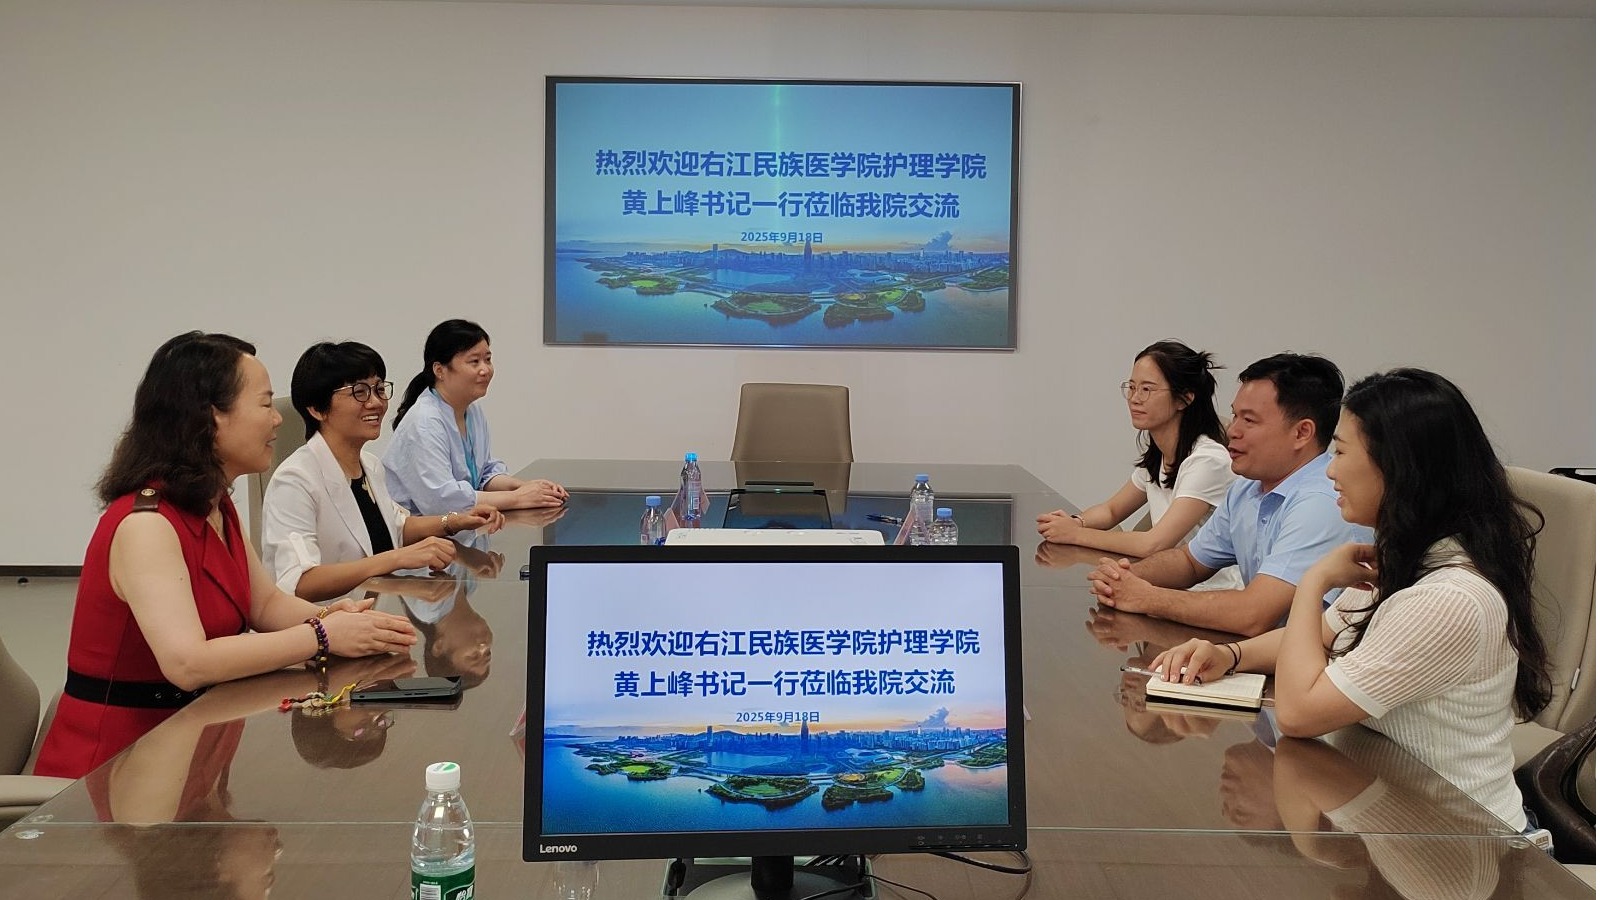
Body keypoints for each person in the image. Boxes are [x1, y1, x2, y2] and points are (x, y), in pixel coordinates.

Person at [1152, 368, 1552, 832]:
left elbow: (1298, 714)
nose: (1330, 471)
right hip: (1391, 817)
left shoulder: (1446, 600)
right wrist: (1229, 655)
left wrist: (1314, 583)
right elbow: (1320, 636)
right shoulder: (1407, 560)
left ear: (1398, 467)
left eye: (1340, 452)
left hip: (1465, 843)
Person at [34, 332, 416, 780]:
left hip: (193, 735)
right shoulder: (146, 525)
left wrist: (336, 617)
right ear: (211, 415)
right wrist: (322, 634)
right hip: (117, 765)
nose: (277, 419)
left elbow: (265, 605)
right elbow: (188, 663)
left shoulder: (215, 505)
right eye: (265, 403)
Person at [1087, 353, 1365, 637]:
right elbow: (1190, 562)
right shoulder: (1248, 486)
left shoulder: (1322, 502)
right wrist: (1124, 577)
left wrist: (1147, 597)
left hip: (1316, 659)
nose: (1232, 430)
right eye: (1235, 415)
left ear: (1302, 433)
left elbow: (1254, 615)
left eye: (1249, 420)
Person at [261, 341, 504, 602]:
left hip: (377, 609)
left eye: (379, 389)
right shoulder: (295, 480)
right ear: (317, 409)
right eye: (360, 392)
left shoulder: (370, 465)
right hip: (327, 621)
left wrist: (454, 521)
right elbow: (300, 582)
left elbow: (396, 527)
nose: (376, 402)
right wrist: (396, 558)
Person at [1038, 340, 1236, 562]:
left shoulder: (1208, 461)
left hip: (1208, 583)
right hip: (1167, 574)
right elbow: (1111, 510)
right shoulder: (1161, 455)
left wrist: (1074, 534)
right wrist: (1075, 522)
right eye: (1132, 388)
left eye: (1147, 389)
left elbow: (1153, 544)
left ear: (1184, 399)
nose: (1134, 399)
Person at [383, 319, 567, 515]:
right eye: (474, 361)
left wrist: (526, 487)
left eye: (488, 359)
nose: (485, 370)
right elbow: (443, 501)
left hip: (457, 526)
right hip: (417, 530)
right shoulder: (424, 422)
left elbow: (483, 474)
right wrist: (518, 498)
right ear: (439, 370)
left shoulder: (472, 411)